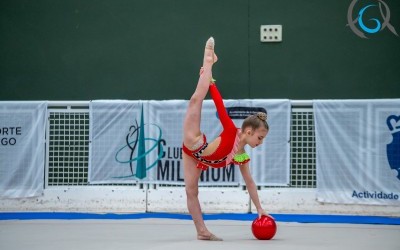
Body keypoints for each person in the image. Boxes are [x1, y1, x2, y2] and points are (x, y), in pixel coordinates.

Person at [182, 37, 270, 241]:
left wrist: (260, 209)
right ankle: (208, 60)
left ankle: (202, 232)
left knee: (191, 191)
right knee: (196, 100)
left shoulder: (240, 156)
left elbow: (249, 182)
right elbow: (220, 105)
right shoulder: (231, 130)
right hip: (193, 143)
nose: (260, 142)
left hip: (198, 159)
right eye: (260, 137)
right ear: (248, 131)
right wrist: (210, 81)